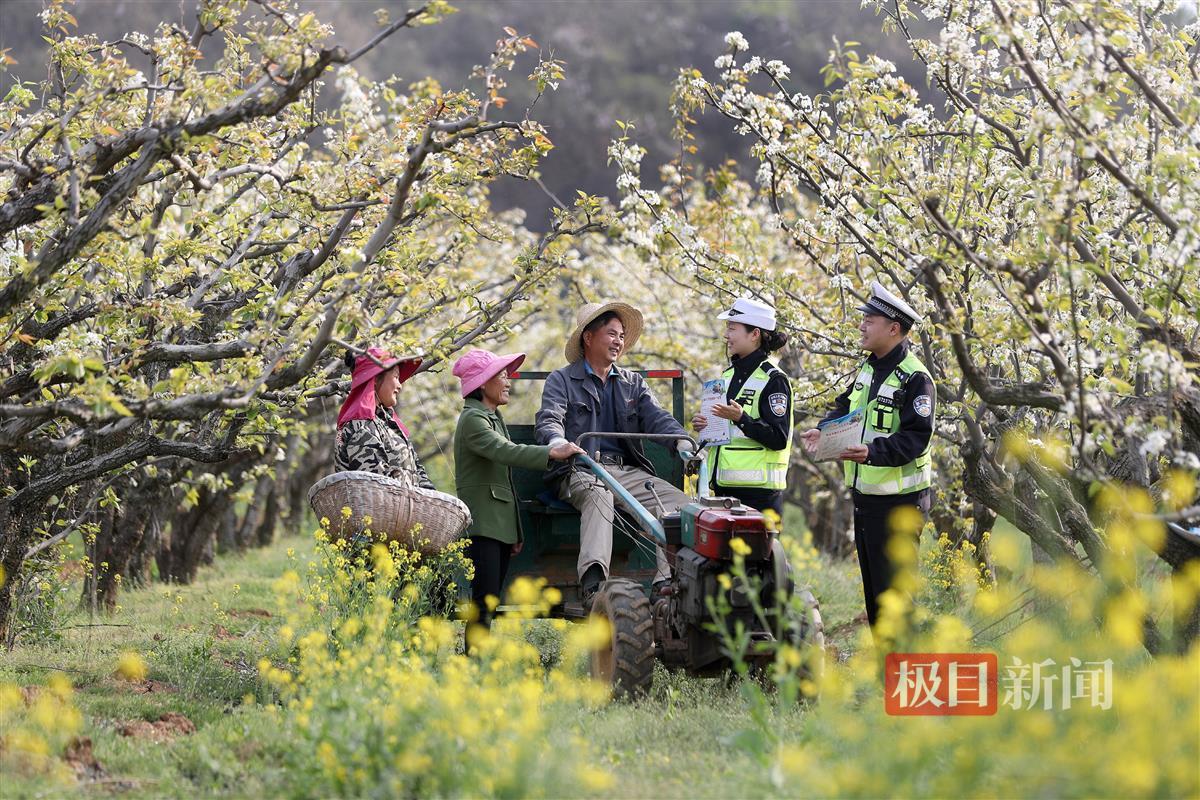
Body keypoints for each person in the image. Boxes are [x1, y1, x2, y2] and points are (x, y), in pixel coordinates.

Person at [535, 301, 693, 605]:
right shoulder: (562, 380)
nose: (618, 341)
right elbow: (549, 419)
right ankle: (594, 585)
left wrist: (681, 441)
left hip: (625, 472)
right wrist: (557, 442)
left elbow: (657, 418)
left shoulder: (633, 384)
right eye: (611, 334)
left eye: (621, 336)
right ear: (589, 338)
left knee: (678, 504)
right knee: (599, 495)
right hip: (580, 469)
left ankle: (665, 585)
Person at [800, 281, 936, 629]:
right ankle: (886, 673)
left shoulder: (915, 378)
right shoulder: (868, 368)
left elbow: (916, 438)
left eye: (870, 320)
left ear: (894, 329)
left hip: (900, 504)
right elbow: (843, 405)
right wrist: (825, 429)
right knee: (877, 596)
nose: (861, 325)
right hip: (868, 499)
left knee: (897, 597)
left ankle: (907, 675)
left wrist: (872, 453)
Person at [451, 348, 584, 629]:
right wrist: (551, 453)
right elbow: (507, 452)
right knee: (483, 606)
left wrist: (515, 532)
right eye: (501, 375)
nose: (508, 381)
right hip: (484, 525)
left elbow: (505, 481)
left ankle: (480, 665)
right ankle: (476, 666)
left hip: (497, 526)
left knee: (489, 604)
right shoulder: (473, 420)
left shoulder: (492, 417)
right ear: (482, 383)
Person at [691, 297, 793, 517]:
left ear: (755, 334)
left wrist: (742, 419)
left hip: (759, 497)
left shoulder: (773, 379)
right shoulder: (727, 376)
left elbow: (778, 438)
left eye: (732, 328)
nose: (726, 335)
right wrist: (705, 425)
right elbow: (725, 430)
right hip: (721, 491)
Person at [335, 347, 434, 490]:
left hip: (405, 509)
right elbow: (377, 485)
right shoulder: (360, 426)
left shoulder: (386, 422)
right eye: (395, 377)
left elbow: (418, 472)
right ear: (375, 379)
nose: (400, 385)